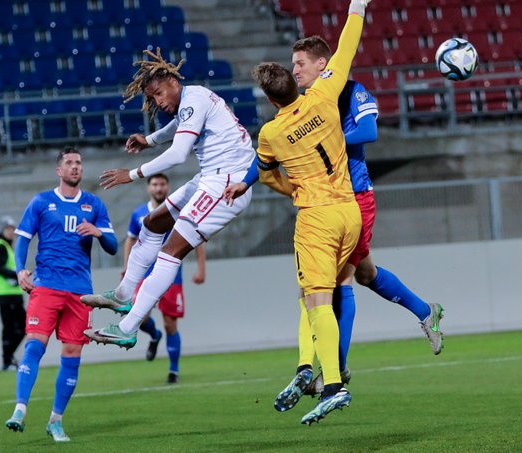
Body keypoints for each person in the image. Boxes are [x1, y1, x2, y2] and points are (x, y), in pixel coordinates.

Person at [226, 19, 445, 412]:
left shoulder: (345, 92)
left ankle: (334, 372)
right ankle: (424, 312)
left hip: (355, 195)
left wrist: (320, 138)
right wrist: (248, 180)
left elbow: (370, 132)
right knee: (364, 275)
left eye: (300, 64)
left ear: (321, 63)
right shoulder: (313, 102)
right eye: (292, 66)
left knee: (336, 284)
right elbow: (266, 162)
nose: (295, 70)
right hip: (340, 201)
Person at [246, 0, 371, 425]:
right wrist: (357, 7)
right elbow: (346, 48)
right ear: (294, 85)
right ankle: (303, 368)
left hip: (315, 218)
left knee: (316, 299)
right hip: (349, 212)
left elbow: (264, 176)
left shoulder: (270, 134)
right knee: (312, 293)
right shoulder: (325, 93)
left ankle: (333, 385)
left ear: (268, 96)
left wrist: (292, 189)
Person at [81, 48, 255, 350]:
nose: (158, 103)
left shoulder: (194, 100)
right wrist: (149, 140)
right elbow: (177, 129)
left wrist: (133, 174)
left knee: (171, 250)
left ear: (174, 80)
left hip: (228, 184)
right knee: (152, 223)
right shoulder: (192, 100)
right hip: (210, 178)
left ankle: (128, 326)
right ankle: (123, 295)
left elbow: (178, 153)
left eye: (159, 94)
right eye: (152, 99)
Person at [4, 147, 118, 442]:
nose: (75, 167)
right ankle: (20, 409)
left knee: (72, 355)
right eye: (69, 163)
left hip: (80, 292)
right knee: (34, 346)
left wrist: (97, 232)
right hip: (46, 286)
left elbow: (113, 246)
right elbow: (23, 239)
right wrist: (20, 270)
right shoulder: (42, 202)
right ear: (59, 170)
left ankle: (56, 420)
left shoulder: (93, 205)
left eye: (79, 163)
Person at [124, 173, 206, 384]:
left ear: (168, 187)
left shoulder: (180, 211)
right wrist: (127, 269)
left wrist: (201, 268)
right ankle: (154, 335)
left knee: (171, 324)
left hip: (171, 275)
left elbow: (197, 237)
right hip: (145, 273)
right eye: (155, 184)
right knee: (138, 318)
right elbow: (130, 240)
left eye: (162, 184)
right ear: (148, 188)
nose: (159, 188)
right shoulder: (139, 214)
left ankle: (173, 370)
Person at [0, 215, 25, 371]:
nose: (11, 232)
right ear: (2, 230)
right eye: (8, 229)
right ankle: (6, 359)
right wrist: (15, 275)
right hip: (5, 296)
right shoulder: (1, 246)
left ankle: (8, 357)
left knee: (22, 327)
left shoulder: (8, 246)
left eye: (12, 229)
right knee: (10, 328)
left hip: (13, 294)